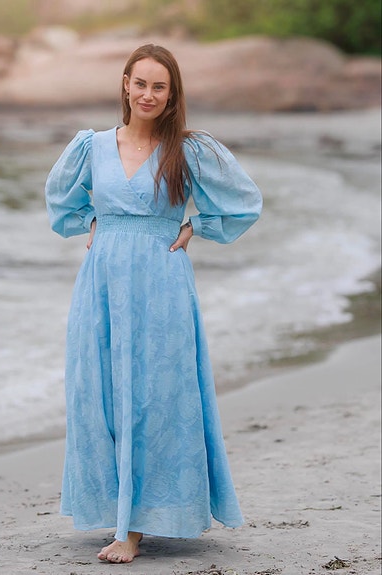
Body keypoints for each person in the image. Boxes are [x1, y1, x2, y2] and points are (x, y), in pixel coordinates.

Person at [45, 43, 262, 564]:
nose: (148, 94)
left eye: (158, 86)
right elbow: (59, 202)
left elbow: (244, 203)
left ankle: (136, 528)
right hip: (101, 285)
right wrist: (90, 221)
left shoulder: (188, 149)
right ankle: (118, 510)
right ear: (125, 85)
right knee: (101, 393)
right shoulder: (92, 146)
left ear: (171, 94)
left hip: (162, 285)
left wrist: (196, 226)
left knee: (156, 397)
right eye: (140, 83)